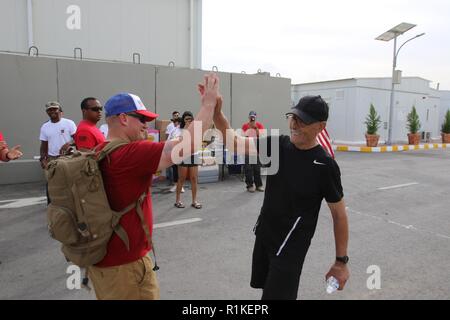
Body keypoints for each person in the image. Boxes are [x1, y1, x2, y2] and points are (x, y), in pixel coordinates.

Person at [87, 73, 219, 300]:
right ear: (123, 119)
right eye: (141, 119)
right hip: (125, 267)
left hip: (107, 262)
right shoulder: (129, 153)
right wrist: (209, 104)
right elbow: (187, 144)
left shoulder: (101, 150)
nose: (145, 126)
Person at [211, 94, 349, 300]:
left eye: (303, 120)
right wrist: (216, 113)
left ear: (320, 127)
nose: (294, 124)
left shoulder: (325, 166)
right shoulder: (278, 146)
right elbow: (235, 143)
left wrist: (341, 261)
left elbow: (339, 215)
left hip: (290, 248)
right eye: (293, 117)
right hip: (265, 236)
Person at [39, 101, 77, 204]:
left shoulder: (69, 123)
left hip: (68, 157)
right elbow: (43, 145)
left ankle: (73, 204)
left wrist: (69, 144)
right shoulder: (45, 127)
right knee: (51, 183)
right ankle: (52, 206)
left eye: (54, 109)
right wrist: (43, 159)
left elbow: (77, 139)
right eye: (49, 110)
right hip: (52, 159)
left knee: (69, 182)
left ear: (60, 111)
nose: (52, 111)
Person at [174, 111, 202, 209]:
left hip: (194, 155)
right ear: (183, 120)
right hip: (183, 156)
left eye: (190, 119)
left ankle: (194, 201)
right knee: (181, 178)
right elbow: (179, 142)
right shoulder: (179, 129)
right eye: (186, 119)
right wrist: (186, 129)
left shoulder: (196, 130)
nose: (188, 121)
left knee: (194, 178)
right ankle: (177, 200)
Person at [241, 111, 265, 192]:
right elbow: (243, 136)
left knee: (257, 169)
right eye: (251, 117)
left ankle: (259, 185)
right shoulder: (245, 126)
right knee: (248, 169)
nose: (252, 118)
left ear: (255, 117)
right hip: (247, 150)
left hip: (256, 150)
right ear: (248, 117)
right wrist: (249, 128)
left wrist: (255, 128)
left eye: (253, 117)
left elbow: (261, 135)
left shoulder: (259, 125)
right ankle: (250, 186)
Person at [167, 118, 184, 193]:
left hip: (180, 152)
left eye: (175, 122)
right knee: (175, 169)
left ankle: (181, 186)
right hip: (173, 152)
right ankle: (176, 185)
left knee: (180, 169)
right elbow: (169, 140)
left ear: (179, 122)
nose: (173, 123)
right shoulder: (173, 130)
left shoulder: (183, 130)